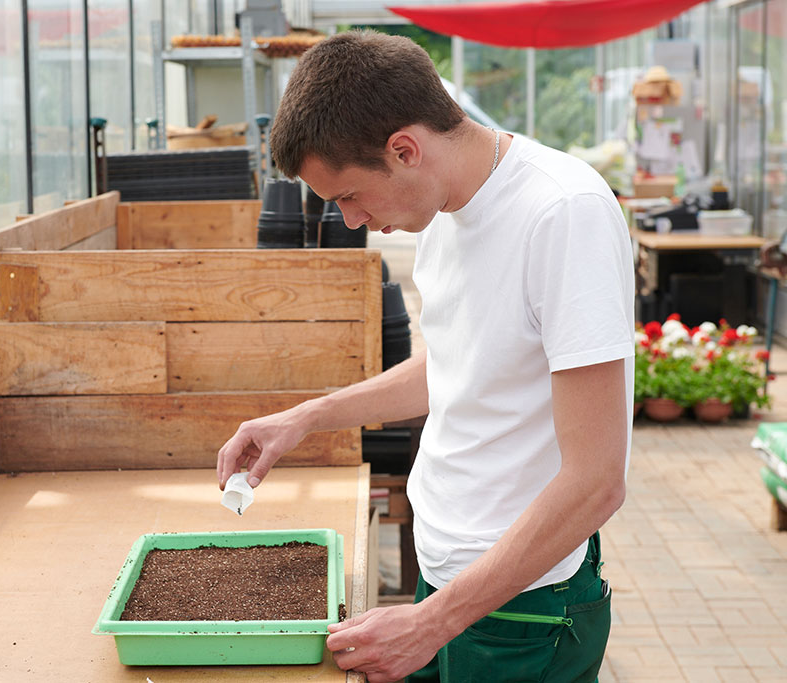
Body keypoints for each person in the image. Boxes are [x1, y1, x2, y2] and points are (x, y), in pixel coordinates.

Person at [216, 30, 633, 683]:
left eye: (349, 196)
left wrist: (435, 622)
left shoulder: (563, 212)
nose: (350, 220)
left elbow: (598, 481)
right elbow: (456, 366)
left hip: (522, 613)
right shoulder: (442, 213)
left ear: (404, 148)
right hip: (445, 581)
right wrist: (307, 416)